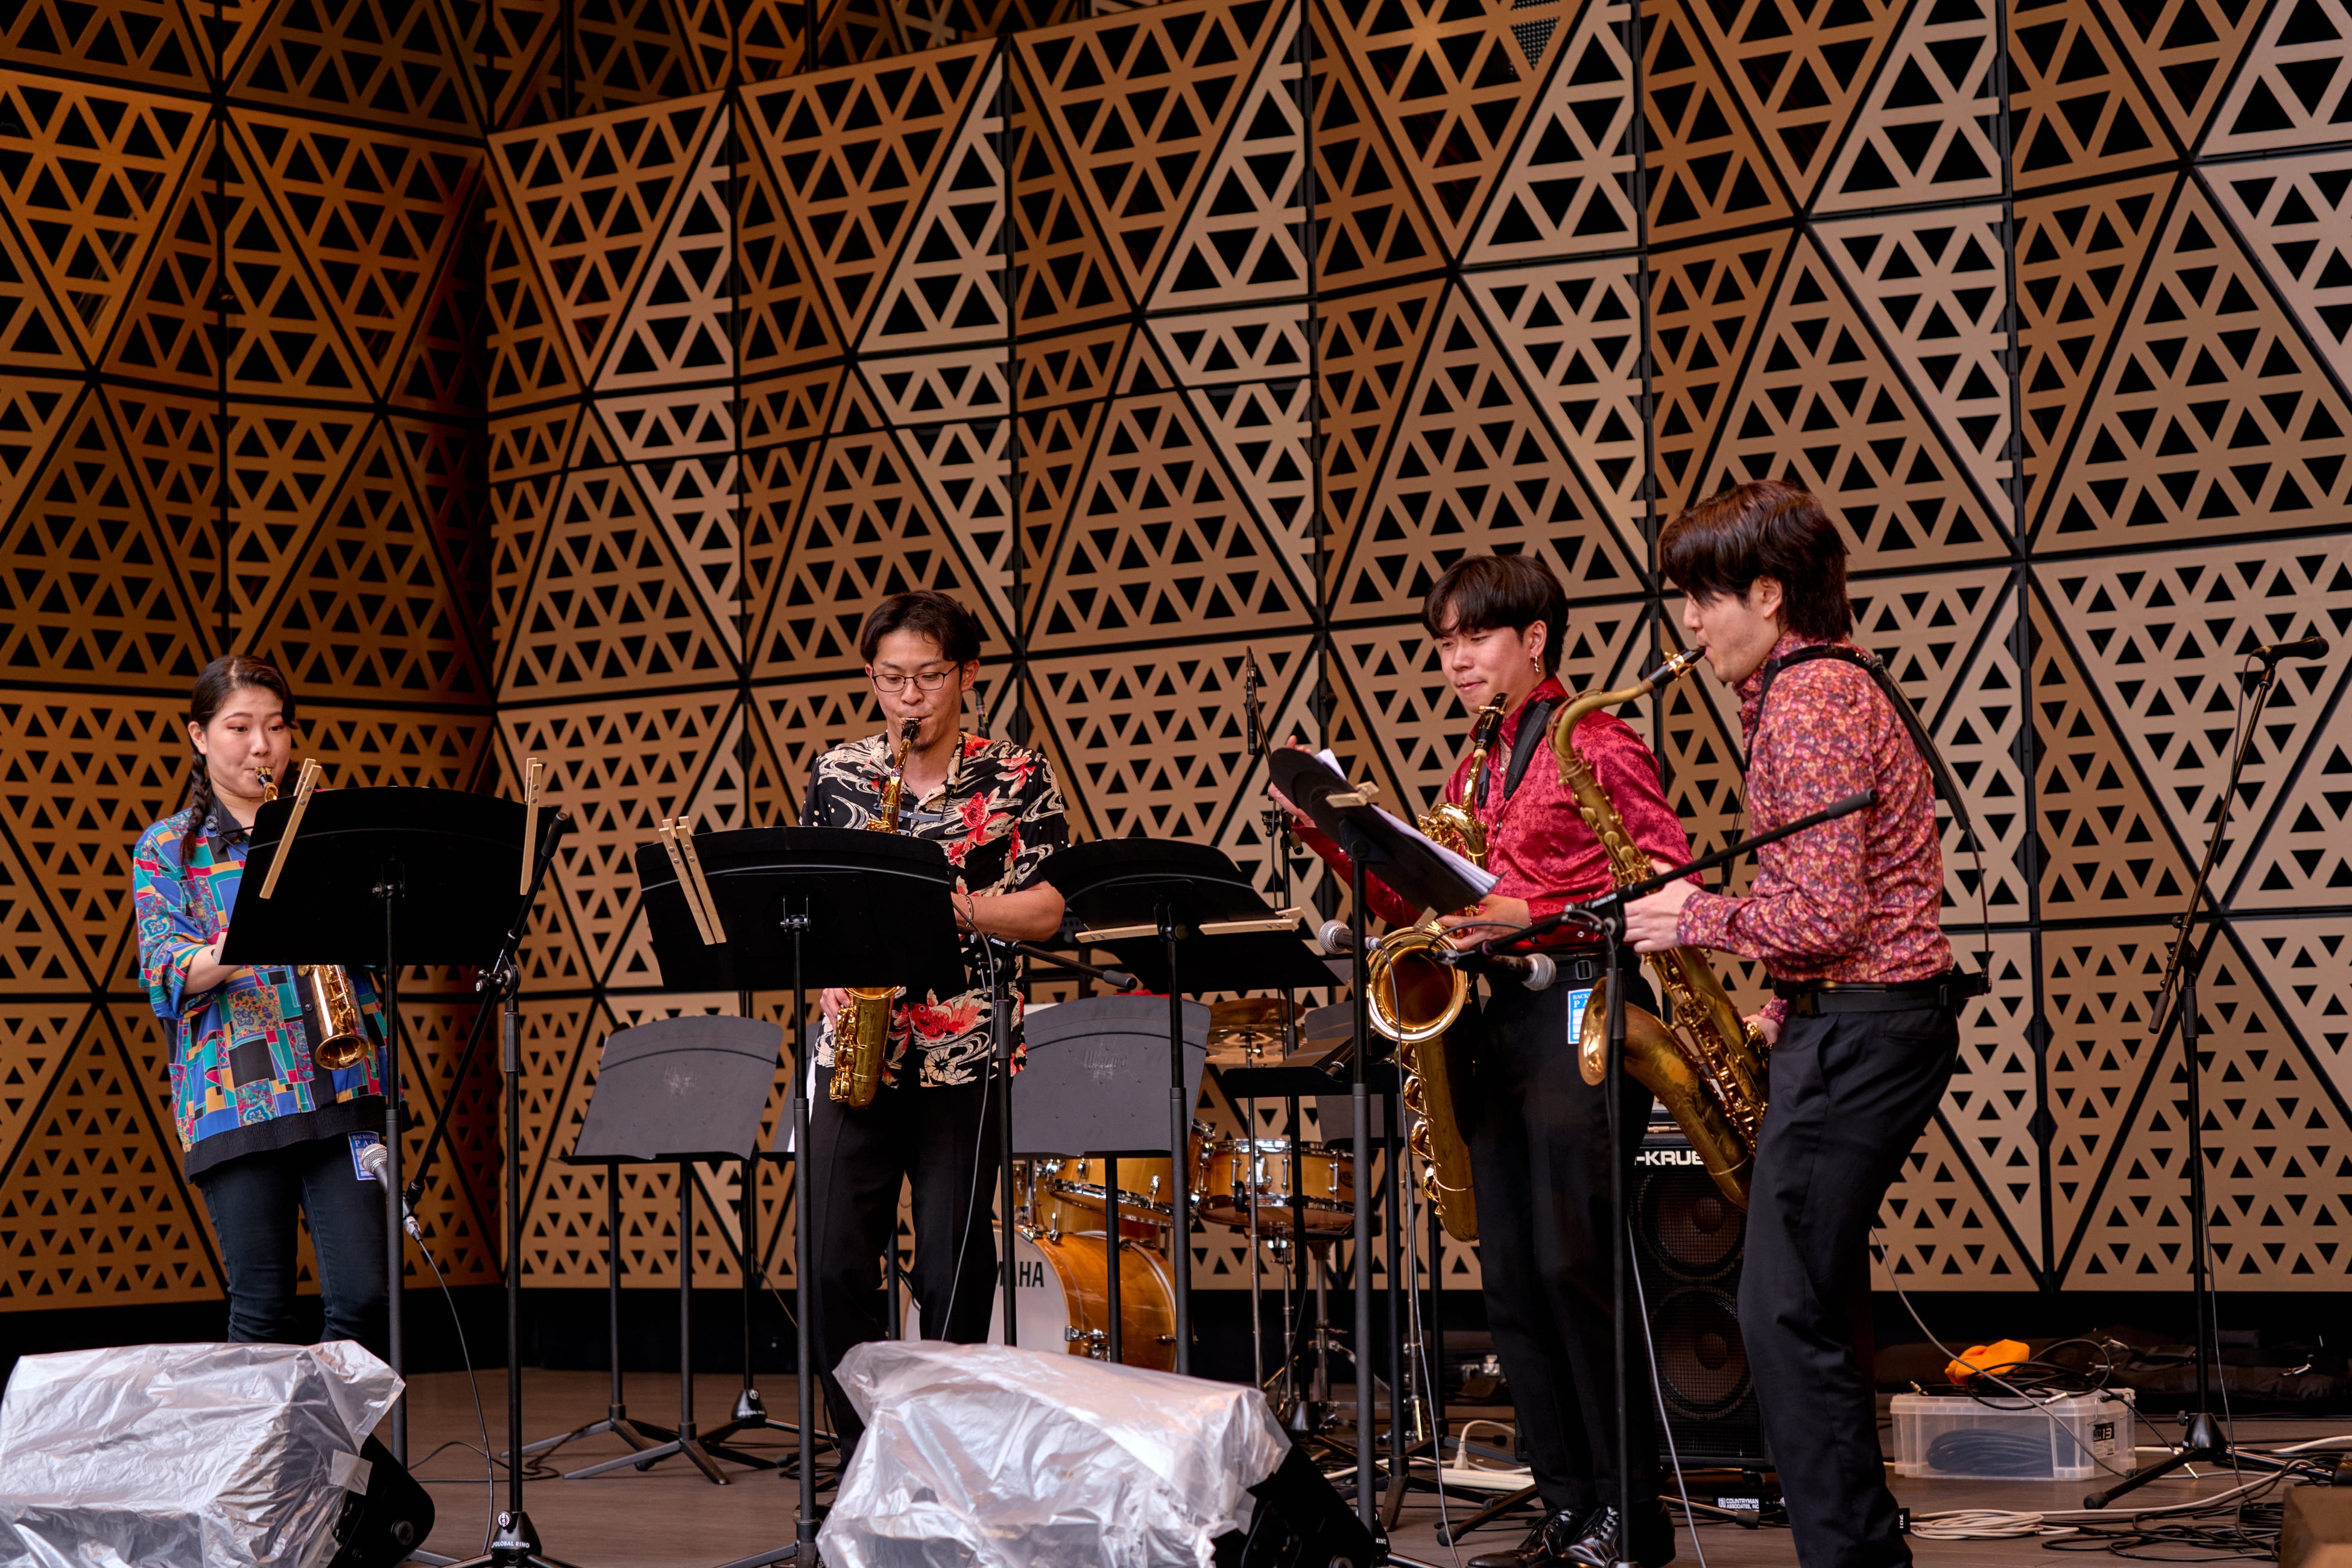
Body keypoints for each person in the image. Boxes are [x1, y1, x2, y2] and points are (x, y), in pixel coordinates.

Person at [1271, 554, 1685, 1568]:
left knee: (1574, 1268)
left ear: (1533, 639)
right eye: (1446, 644)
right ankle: (1569, 1511)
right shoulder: (1473, 764)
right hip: (1496, 1020)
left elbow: (1667, 881)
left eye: (1476, 638)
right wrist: (1334, 838)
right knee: (1513, 1282)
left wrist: (1523, 911)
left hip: (1581, 1005)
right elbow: (1431, 908)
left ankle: (1630, 1517)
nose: (1457, 661)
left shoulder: (1595, 738)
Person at [1626, 479, 1962, 1568]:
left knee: (1781, 1314)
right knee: (1805, 1304)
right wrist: (1779, 1007)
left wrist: (1692, 915)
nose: (1688, 624)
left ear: (1767, 595)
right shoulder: (1823, 684)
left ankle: (1853, 1558)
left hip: (1867, 1032)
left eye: (1702, 599)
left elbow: (1820, 914)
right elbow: (1848, 893)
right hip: (1855, 1019)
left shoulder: (1809, 701)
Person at [801, 589, 1069, 1457]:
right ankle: (865, 1448)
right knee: (830, 1258)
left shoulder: (1017, 774)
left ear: (968, 674)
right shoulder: (840, 773)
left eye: (928, 676)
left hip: (965, 1044)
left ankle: (940, 1447)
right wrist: (827, 978)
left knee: (952, 1265)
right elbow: (808, 906)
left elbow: (1051, 909)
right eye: (891, 678)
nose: (909, 696)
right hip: (861, 1044)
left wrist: (964, 909)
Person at [131, 653, 390, 1352]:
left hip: (345, 1081)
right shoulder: (167, 848)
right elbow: (166, 969)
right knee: (262, 1312)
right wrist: (254, 930)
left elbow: (382, 948)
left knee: (366, 1297)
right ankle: (272, 1433)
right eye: (239, 727)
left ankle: (336, 1432)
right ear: (199, 735)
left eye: (276, 726)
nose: (261, 746)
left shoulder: (330, 827)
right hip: (234, 1096)